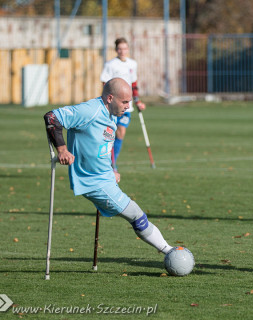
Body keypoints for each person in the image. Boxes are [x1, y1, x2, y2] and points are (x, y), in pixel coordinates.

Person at [43, 78, 172, 256]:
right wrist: (62, 149)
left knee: (137, 214)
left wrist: (111, 170)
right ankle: (170, 252)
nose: (128, 106)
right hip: (94, 182)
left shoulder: (111, 114)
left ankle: (168, 251)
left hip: (105, 177)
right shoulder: (90, 110)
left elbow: (100, 146)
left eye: (129, 102)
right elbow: (52, 117)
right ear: (110, 98)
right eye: (125, 102)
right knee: (136, 215)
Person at [100, 37, 146, 171]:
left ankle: (112, 162)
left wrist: (137, 101)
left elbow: (134, 84)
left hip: (127, 106)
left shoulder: (132, 64)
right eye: (120, 49)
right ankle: (106, 161)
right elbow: (105, 83)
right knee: (109, 134)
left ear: (128, 49)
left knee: (120, 133)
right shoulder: (110, 64)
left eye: (125, 48)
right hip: (113, 106)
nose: (122, 51)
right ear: (116, 50)